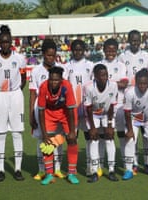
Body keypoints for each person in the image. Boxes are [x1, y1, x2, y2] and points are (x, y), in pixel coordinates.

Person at [0, 25, 26, 182]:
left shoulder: (20, 58)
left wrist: (15, 92)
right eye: (2, 42)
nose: (5, 44)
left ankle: (17, 169)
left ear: (11, 42)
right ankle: (1, 170)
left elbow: (23, 79)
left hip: (15, 96)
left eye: (7, 41)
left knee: (17, 133)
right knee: (0, 133)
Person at [29, 38, 67, 181]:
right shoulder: (36, 71)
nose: (51, 58)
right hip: (41, 108)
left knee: (57, 138)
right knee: (41, 140)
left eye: (53, 55)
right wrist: (31, 115)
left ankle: (57, 169)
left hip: (57, 109)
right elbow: (32, 93)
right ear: (43, 54)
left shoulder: (61, 69)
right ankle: (41, 170)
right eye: (48, 55)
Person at [37, 66, 79, 185]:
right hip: (49, 113)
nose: (53, 82)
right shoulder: (43, 86)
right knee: (48, 142)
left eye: (56, 80)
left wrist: (72, 131)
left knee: (72, 140)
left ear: (61, 80)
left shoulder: (67, 86)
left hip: (66, 113)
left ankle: (71, 173)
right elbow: (41, 110)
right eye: (51, 79)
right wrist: (44, 134)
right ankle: (49, 174)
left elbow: (71, 109)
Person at [118, 30, 148, 174]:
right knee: (133, 134)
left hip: (144, 98)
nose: (135, 43)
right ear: (128, 40)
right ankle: (135, 163)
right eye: (133, 40)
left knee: (146, 133)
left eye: (137, 40)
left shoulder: (146, 56)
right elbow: (122, 77)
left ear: (141, 41)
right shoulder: (122, 56)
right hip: (130, 98)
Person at [122, 68, 148, 180]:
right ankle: (129, 170)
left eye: (145, 83)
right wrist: (130, 130)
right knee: (130, 140)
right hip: (133, 119)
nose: (142, 86)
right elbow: (127, 112)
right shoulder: (129, 92)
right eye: (140, 83)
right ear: (136, 82)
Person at [95, 38, 128, 176]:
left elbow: (124, 84)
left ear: (117, 50)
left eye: (113, 50)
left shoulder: (121, 65)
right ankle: (101, 165)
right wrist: (114, 83)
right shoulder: (98, 65)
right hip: (101, 106)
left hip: (118, 104)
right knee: (103, 136)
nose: (110, 52)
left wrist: (107, 82)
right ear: (104, 50)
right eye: (108, 50)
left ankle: (126, 163)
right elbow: (95, 83)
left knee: (120, 134)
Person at [84, 64, 119, 183]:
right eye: (101, 75)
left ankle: (111, 170)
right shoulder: (88, 88)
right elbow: (88, 109)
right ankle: (94, 171)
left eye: (106, 75)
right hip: (93, 114)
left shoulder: (113, 85)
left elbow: (112, 106)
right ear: (95, 77)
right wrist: (92, 128)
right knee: (94, 139)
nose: (104, 77)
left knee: (109, 138)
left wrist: (109, 125)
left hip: (106, 114)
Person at [64, 39, 94, 176]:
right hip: (72, 108)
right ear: (71, 50)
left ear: (84, 50)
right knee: (72, 137)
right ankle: (73, 167)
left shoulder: (90, 65)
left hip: (86, 106)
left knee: (88, 136)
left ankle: (89, 166)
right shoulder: (67, 66)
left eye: (80, 49)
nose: (77, 52)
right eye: (75, 49)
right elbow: (64, 86)